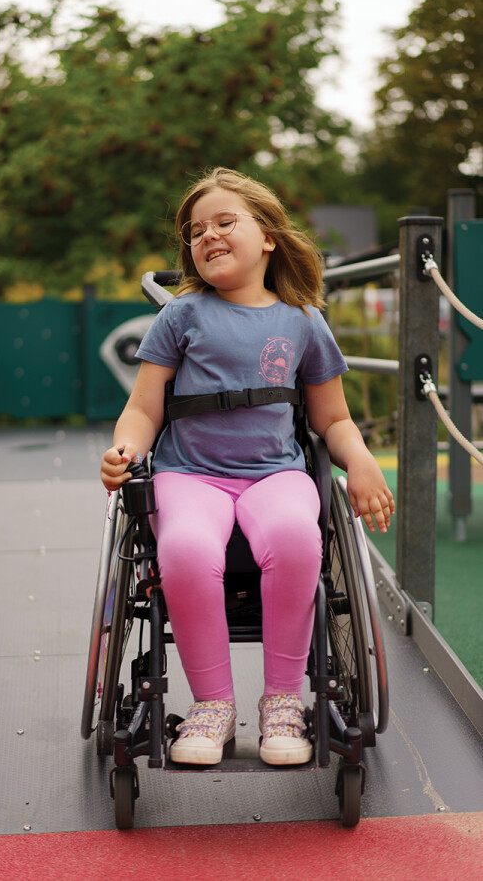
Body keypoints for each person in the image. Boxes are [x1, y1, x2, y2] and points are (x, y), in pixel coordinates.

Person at [100, 167, 395, 767]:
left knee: (297, 539)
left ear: (267, 237)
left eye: (223, 222)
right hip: (190, 474)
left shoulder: (303, 320)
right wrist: (125, 451)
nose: (207, 235)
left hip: (275, 474)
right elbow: (143, 407)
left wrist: (360, 461)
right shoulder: (180, 316)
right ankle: (212, 706)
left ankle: (282, 701)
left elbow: (333, 419)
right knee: (183, 549)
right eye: (195, 231)